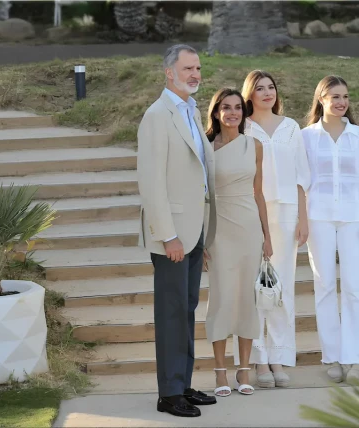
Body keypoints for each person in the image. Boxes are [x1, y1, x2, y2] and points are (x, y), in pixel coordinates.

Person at [136, 44, 217, 418]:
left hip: (194, 228)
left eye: (198, 67)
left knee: (185, 309)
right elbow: (151, 184)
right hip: (173, 234)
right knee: (171, 312)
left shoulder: (191, 110)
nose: (195, 74)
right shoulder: (157, 116)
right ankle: (169, 394)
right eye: (187, 68)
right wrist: (168, 235)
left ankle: (182, 384)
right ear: (169, 72)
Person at [301, 75, 359, 384]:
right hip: (318, 217)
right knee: (324, 286)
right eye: (335, 96)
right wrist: (300, 218)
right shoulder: (306, 137)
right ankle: (333, 357)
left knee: (353, 287)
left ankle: (355, 358)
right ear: (321, 98)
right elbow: (300, 181)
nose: (341, 102)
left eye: (346, 97)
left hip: (353, 217)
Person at [233, 70, 311, 388]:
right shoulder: (242, 128)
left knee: (281, 289)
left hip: (287, 212)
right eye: (260, 88)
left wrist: (303, 219)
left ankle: (278, 356)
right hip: (253, 213)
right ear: (249, 94)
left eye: (272, 87)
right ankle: (258, 359)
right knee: (256, 288)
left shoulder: (291, 127)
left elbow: (302, 176)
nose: (268, 93)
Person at [203, 88, 273, 397]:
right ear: (216, 113)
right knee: (221, 298)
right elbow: (198, 195)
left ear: (243, 114)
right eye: (226, 108)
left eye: (237, 108)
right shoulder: (204, 148)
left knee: (247, 299)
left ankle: (244, 370)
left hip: (248, 229)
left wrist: (267, 236)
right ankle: (220, 372)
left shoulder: (255, 146)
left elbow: (258, 194)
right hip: (218, 230)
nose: (232, 113)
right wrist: (201, 238)